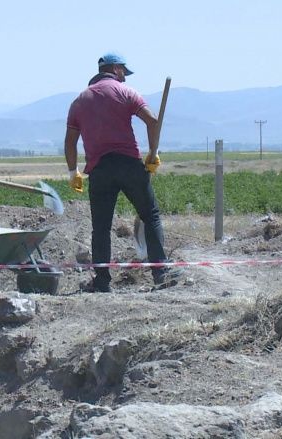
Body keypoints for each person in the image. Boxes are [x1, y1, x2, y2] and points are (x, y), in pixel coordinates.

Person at [64, 52, 179, 292]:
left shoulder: (79, 101)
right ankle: (160, 273)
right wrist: (152, 153)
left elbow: (70, 141)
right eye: (123, 73)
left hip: (99, 170)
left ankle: (103, 282)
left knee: (101, 227)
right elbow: (152, 120)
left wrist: (73, 171)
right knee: (151, 216)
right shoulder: (126, 93)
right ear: (115, 69)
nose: (125, 78)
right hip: (128, 164)